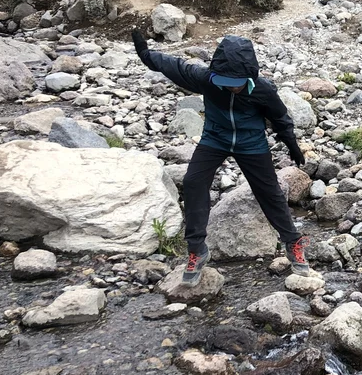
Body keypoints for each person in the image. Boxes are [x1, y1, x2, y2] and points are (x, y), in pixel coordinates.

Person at [132, 29, 310, 285]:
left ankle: (292, 243)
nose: (231, 88)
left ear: (249, 76)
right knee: (193, 181)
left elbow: (280, 117)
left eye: (236, 83)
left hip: (251, 143)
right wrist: (146, 55)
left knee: (269, 191)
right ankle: (196, 250)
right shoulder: (206, 79)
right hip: (215, 138)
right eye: (224, 82)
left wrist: (291, 143)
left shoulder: (263, 89)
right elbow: (175, 66)